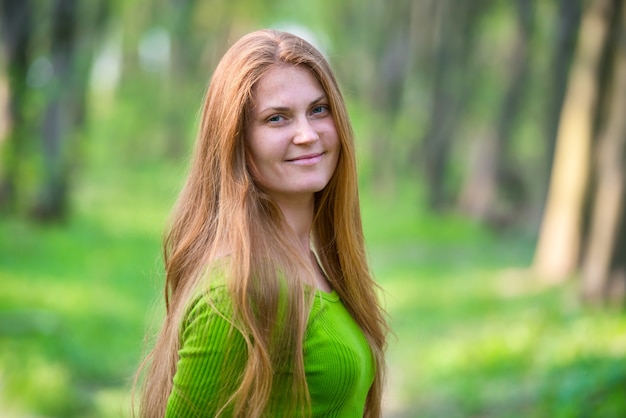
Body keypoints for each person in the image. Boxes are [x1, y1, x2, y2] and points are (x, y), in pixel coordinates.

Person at [136, 29, 388, 417]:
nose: (307, 135)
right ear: (237, 141)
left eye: (319, 110)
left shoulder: (312, 263)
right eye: (277, 118)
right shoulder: (236, 289)